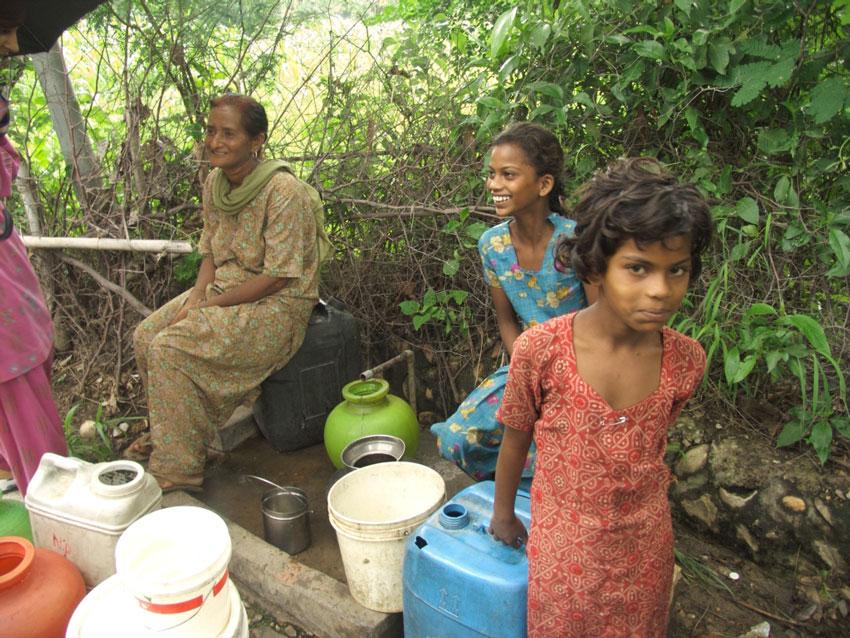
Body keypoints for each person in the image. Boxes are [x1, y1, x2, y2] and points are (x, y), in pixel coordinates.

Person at [489, 157, 713, 637]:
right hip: (564, 550)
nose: (660, 290)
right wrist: (503, 514)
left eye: (678, 270)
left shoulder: (685, 360)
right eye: (637, 268)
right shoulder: (541, 350)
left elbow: (649, 443)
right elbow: (515, 440)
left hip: (644, 548)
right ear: (596, 264)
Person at [131, 94, 332, 492]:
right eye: (210, 131)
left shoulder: (283, 191)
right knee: (146, 338)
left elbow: (278, 276)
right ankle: (187, 440)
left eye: (228, 133)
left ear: (257, 141)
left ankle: (178, 470)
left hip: (279, 304)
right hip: (225, 287)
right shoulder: (215, 183)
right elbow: (210, 249)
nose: (215, 142)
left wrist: (208, 306)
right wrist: (196, 298)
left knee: (171, 349)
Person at [431, 122, 594, 483]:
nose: (493, 185)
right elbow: (507, 322)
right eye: (491, 175)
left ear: (544, 184)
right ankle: (524, 484)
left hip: (585, 374)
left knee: (568, 451)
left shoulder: (577, 242)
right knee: (456, 441)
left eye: (508, 175)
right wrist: (526, 374)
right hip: (526, 368)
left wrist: (567, 382)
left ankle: (541, 487)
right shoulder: (492, 246)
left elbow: (602, 320)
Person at [0, 2, 70, 496]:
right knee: (18, 386)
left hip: (7, 252)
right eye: (4, 31)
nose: (10, 45)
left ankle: (25, 474)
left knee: (32, 367)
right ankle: (52, 499)